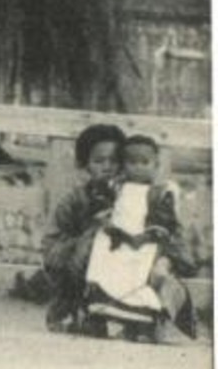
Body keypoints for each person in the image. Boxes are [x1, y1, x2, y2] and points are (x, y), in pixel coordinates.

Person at [82, 134, 199, 343]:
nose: (138, 168)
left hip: (144, 242)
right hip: (116, 241)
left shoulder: (160, 192)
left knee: (139, 279)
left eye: (144, 162)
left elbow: (164, 220)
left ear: (156, 165)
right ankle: (99, 316)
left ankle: (143, 323)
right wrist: (106, 218)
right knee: (105, 270)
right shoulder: (117, 188)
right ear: (123, 164)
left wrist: (148, 235)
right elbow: (101, 204)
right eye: (131, 162)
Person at [40, 124, 126, 332]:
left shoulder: (130, 197)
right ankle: (72, 307)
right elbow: (51, 249)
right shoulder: (74, 200)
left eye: (114, 161)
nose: (107, 167)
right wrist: (92, 231)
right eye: (98, 161)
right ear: (85, 164)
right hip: (77, 270)